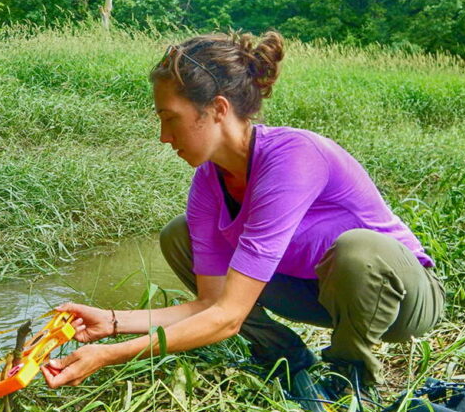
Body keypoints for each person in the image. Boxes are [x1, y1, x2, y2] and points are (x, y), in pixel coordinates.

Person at [42, 31, 444, 393]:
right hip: (320, 294)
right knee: (178, 236)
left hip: (403, 299)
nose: (164, 137)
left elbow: (227, 318)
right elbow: (212, 305)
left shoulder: (294, 158)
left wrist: (111, 355)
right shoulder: (208, 183)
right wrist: (111, 322)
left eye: (171, 120)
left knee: (359, 249)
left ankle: (349, 376)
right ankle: (283, 354)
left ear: (217, 109)